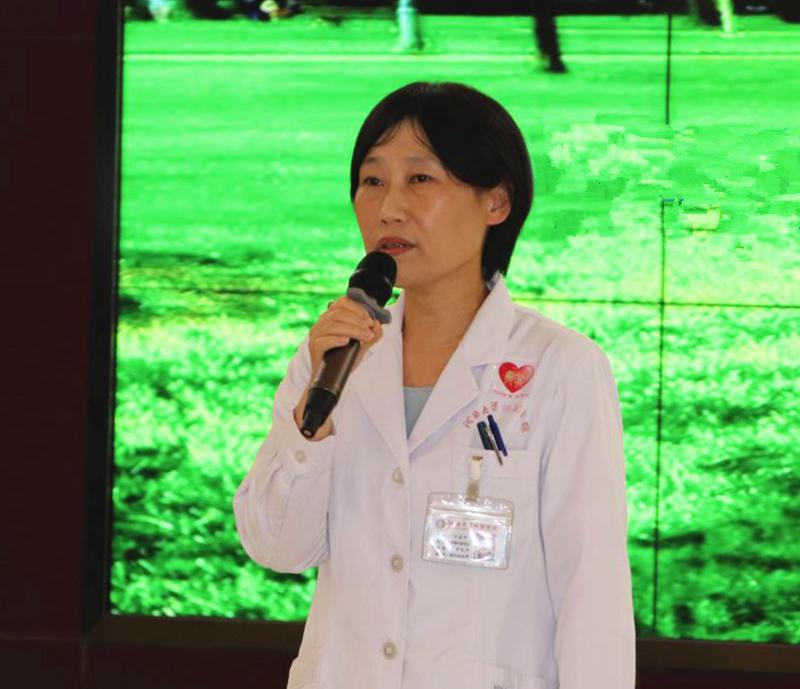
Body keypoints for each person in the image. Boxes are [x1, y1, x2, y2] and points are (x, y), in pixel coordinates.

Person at [234, 81, 636, 689]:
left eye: (420, 179)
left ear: (496, 201)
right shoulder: (334, 357)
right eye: (372, 181)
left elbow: (592, 588)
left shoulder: (561, 367)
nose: (389, 208)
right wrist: (313, 422)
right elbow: (278, 547)